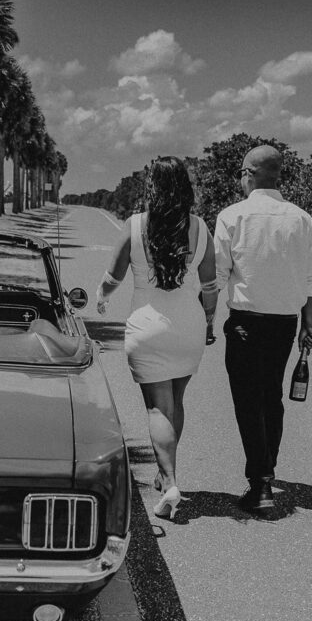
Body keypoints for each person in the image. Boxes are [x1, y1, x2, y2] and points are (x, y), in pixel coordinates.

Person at [96, 156, 218, 521]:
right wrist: (209, 319)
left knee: (156, 407)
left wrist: (100, 297)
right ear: (185, 186)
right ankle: (166, 479)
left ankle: (170, 478)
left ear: (151, 186)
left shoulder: (135, 226)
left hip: (146, 327)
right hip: (188, 326)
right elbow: (210, 285)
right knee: (175, 403)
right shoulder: (200, 228)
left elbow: (112, 277)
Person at [214, 145, 312, 513]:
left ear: (248, 174)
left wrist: (207, 321)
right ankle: (266, 471)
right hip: (285, 325)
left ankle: (260, 484)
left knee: (247, 402)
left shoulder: (232, 216)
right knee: (271, 397)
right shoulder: (302, 219)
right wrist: (308, 322)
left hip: (245, 323)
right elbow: (309, 280)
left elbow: (218, 276)